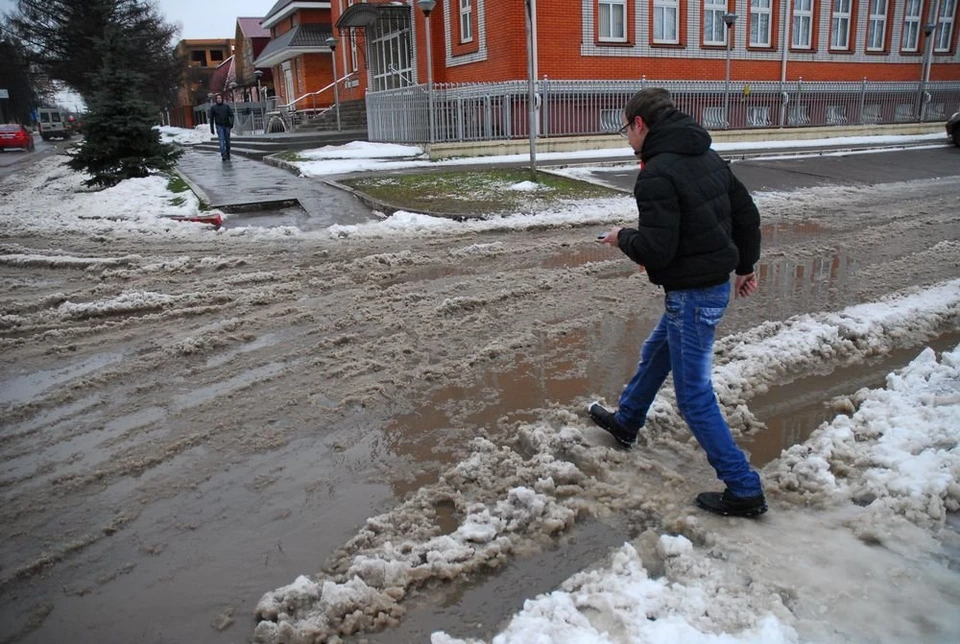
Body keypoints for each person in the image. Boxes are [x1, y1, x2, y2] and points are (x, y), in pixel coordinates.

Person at [592, 87, 766, 518]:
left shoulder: (655, 174)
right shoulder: (705, 156)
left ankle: (744, 488)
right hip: (709, 285)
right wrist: (746, 265)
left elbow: (657, 248)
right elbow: (746, 215)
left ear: (640, 124)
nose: (627, 139)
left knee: (692, 396)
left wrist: (622, 239)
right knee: (657, 353)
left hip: (693, 295)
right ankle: (627, 421)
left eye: (625, 130)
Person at [209, 94, 234, 161]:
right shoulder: (213, 108)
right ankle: (223, 154)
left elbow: (231, 115)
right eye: (217, 98)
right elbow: (211, 119)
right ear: (216, 99)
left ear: (222, 99)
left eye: (220, 98)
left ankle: (228, 153)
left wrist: (231, 123)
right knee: (221, 140)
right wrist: (212, 128)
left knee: (227, 142)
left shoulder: (226, 107)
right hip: (219, 126)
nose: (219, 99)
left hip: (227, 126)